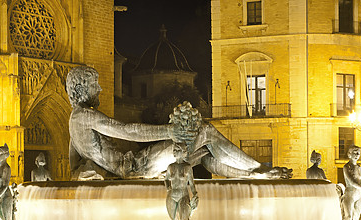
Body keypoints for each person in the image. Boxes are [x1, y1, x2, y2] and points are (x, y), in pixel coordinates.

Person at [65, 66, 291, 180]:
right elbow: (127, 131)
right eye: (95, 84)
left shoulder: (74, 122)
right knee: (204, 131)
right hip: (138, 166)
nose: (100, 88)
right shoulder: (85, 116)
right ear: (83, 88)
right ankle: (259, 170)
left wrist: (84, 174)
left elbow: (74, 164)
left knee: (204, 153)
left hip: (134, 168)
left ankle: (253, 175)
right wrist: (170, 131)